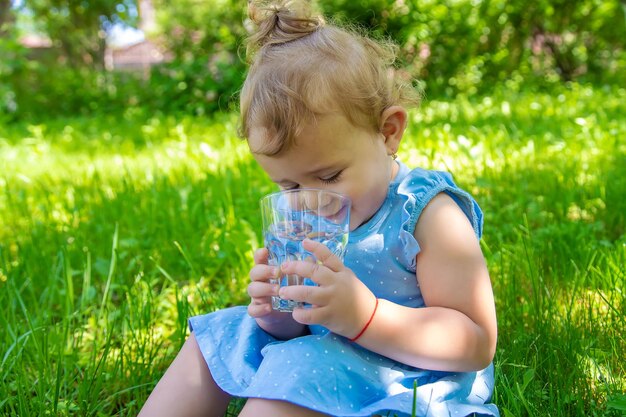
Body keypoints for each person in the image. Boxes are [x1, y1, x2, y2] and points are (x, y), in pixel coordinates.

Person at [138, 1, 499, 416]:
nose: (312, 201)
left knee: (295, 371)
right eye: (289, 185)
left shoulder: (426, 213)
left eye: (329, 177)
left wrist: (366, 316)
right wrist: (280, 314)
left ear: (388, 132)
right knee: (221, 335)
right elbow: (304, 325)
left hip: (406, 375)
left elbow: (475, 341)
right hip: (327, 352)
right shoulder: (302, 216)